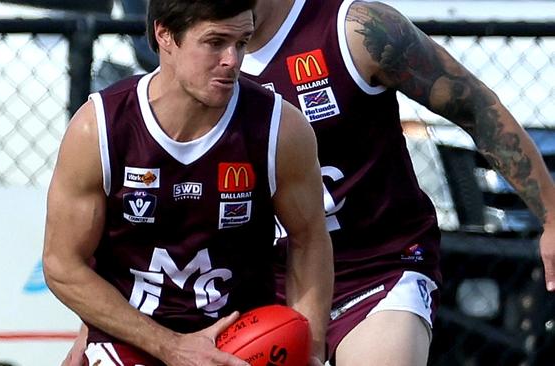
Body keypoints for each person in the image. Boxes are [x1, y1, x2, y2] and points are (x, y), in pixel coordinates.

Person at [238, 0, 555, 365]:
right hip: (265, 282)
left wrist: (549, 214)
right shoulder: (198, 51)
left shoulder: (355, 30)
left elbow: (476, 107)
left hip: (374, 270)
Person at [42, 0, 333, 365]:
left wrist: (312, 346)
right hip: (133, 334)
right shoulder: (99, 127)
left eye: (241, 42)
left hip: (239, 335)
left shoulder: (279, 128)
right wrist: (171, 347)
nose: (232, 60)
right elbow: (62, 265)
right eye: (215, 42)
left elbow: (309, 240)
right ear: (164, 34)